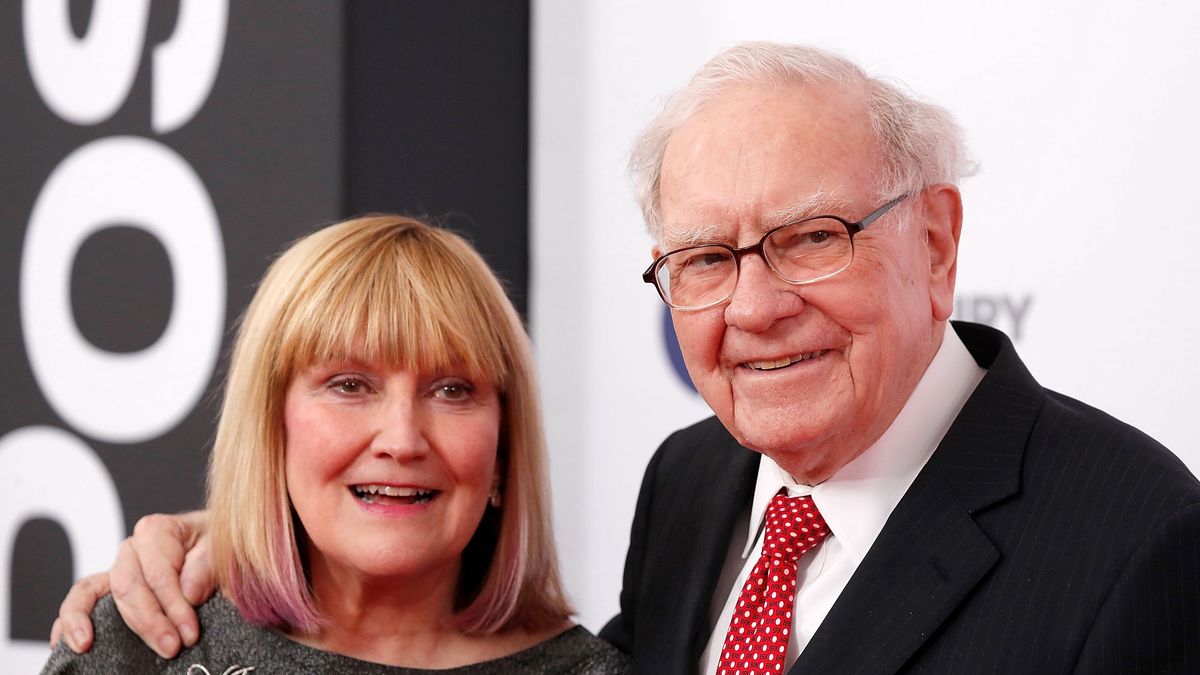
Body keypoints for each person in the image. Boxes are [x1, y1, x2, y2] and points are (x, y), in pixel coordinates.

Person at [54, 43, 1200, 674]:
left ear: (938, 242)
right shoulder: (695, 479)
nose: (755, 306)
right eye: (703, 258)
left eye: (811, 238)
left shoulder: (1140, 541)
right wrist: (235, 541)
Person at [43, 216, 628, 673]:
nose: (402, 440)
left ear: (502, 451)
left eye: (451, 390)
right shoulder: (135, 645)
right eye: (349, 385)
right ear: (271, 426)